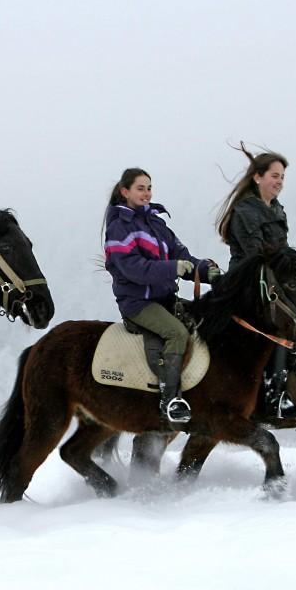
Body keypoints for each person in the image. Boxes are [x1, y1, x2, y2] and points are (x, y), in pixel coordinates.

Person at [103, 168, 219, 424]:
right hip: (138, 303)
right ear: (125, 192)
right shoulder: (119, 228)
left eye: (149, 188)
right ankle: (170, 399)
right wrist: (172, 268)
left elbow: (183, 256)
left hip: (165, 299)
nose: (146, 193)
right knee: (176, 333)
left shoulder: (156, 223)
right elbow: (131, 268)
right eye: (140, 188)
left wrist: (207, 272)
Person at [215, 144, 296, 419]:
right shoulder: (245, 211)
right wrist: (295, 257)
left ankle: (286, 389)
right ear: (258, 177)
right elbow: (257, 253)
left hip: (271, 282)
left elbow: (281, 252)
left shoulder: (278, 210)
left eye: (282, 177)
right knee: (282, 322)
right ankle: (271, 395)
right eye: (275, 176)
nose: (279, 182)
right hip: (246, 283)